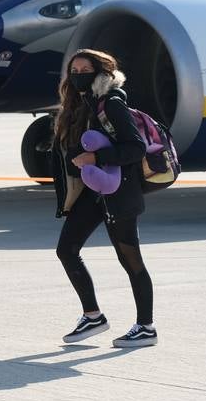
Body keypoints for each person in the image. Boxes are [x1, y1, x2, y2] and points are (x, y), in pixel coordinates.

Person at [52, 48, 157, 348]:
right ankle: (93, 315)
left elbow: (135, 148)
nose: (78, 74)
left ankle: (146, 326)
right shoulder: (82, 104)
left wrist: (95, 156)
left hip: (120, 192)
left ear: (100, 73)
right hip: (96, 192)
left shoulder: (110, 103)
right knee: (66, 249)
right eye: (74, 70)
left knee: (130, 259)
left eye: (85, 70)